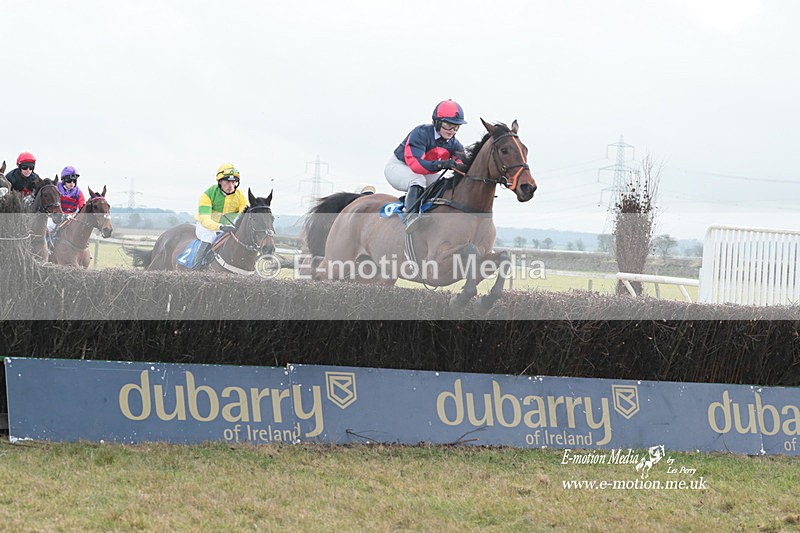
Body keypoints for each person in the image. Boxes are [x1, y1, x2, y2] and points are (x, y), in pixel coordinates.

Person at [384, 99, 468, 232]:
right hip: (399, 167)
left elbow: (462, 165)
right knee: (418, 180)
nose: (452, 130)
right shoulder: (421, 133)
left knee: (444, 184)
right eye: (448, 125)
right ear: (437, 122)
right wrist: (442, 164)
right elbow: (416, 165)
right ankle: (411, 218)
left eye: (456, 127)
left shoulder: (454, 144)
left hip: (424, 172)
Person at [194, 163, 248, 262]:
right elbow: (205, 219)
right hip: (206, 226)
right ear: (220, 182)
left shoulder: (240, 196)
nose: (231, 186)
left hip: (228, 226)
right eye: (227, 182)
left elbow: (244, 214)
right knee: (210, 238)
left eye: (234, 182)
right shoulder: (207, 195)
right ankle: (197, 268)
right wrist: (220, 227)